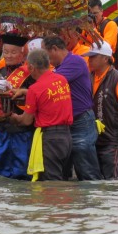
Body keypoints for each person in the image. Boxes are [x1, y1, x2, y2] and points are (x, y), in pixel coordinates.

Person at [43, 35, 101, 180]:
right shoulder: (59, 67)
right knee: (64, 168)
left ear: (54, 49)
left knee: (86, 166)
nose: (46, 59)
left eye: (46, 54)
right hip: (67, 122)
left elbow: (51, 83)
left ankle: (94, 197)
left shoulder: (75, 61)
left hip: (81, 119)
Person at [9, 49, 73, 181]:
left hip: (50, 139)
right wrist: (26, 92)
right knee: (64, 177)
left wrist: (11, 117)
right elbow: (47, 93)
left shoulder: (35, 89)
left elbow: (26, 121)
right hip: (66, 137)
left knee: (51, 181)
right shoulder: (62, 80)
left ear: (31, 67)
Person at [83, 41, 118, 179]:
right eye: (89, 56)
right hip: (94, 138)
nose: (90, 60)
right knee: (96, 181)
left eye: (94, 56)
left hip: (113, 139)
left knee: (112, 180)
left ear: (105, 58)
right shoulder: (89, 78)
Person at [0, 33, 36, 180]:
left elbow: (34, 99)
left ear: (22, 53)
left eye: (13, 52)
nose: (9, 56)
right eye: (6, 52)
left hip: (22, 130)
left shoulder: (30, 74)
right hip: (1, 129)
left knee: (21, 172)